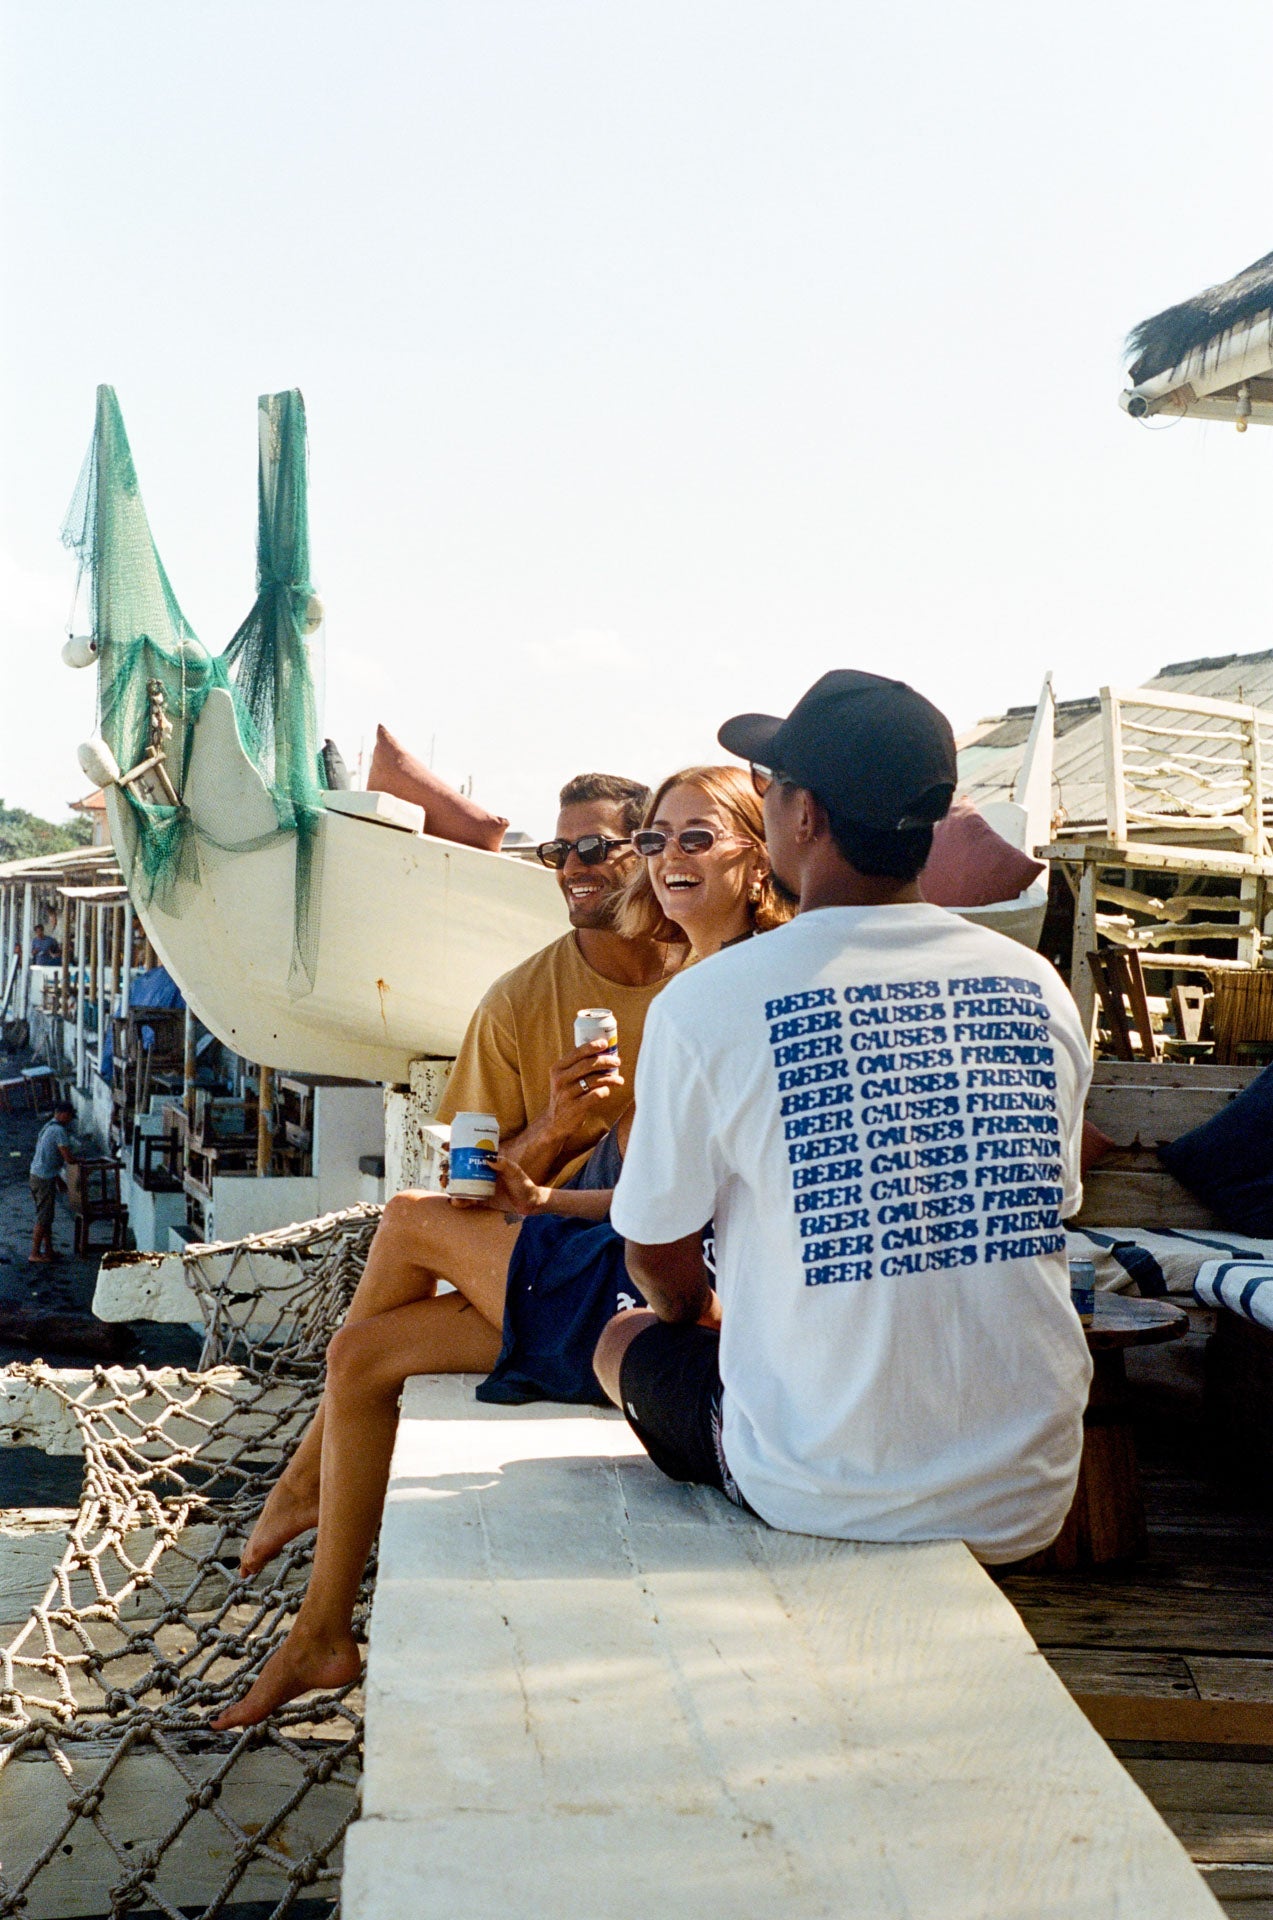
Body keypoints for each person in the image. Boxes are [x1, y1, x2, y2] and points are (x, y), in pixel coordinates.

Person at [214, 765, 785, 1730]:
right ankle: (320, 1629)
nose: (649, 864)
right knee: (362, 1353)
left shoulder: (717, 988)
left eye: (684, 842)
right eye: (654, 844)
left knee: (406, 1220)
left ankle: (306, 1487)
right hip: (644, 1266)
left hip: (655, 1292)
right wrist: (555, 1154)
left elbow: (670, 1219)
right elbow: (623, 1191)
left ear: (756, 858)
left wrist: (559, 1193)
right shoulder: (611, 986)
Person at [595, 670, 1094, 1568]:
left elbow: (658, 1264)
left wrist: (703, 1312)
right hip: (1026, 1492)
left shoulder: (709, 1001)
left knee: (622, 1337)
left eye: (768, 786)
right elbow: (1045, 1203)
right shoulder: (1035, 984)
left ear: (805, 817)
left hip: (819, 1490)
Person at [436, 772, 678, 1185]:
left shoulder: (712, 970)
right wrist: (554, 1124)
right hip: (566, 1231)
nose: (570, 868)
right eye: (558, 852)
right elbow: (469, 1183)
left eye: (592, 848)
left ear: (646, 851)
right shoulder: (515, 1002)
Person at [29, 1099, 76, 1264]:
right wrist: (79, 1163)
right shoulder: (58, 1131)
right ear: (63, 1114)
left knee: (46, 1215)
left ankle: (48, 1250)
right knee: (44, 1217)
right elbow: (68, 1158)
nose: (70, 1120)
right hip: (43, 1178)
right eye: (70, 1116)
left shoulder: (47, 1127)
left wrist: (58, 1180)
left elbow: (48, 1157)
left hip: (37, 1175)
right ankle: (34, 1253)